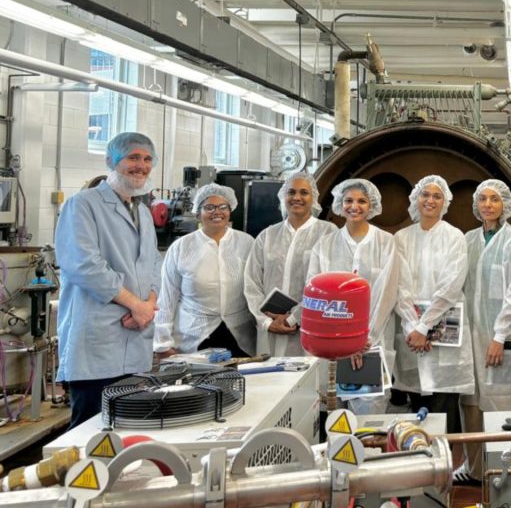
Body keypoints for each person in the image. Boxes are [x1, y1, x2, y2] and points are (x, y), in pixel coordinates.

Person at [55, 132, 162, 428]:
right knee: (90, 431)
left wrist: (149, 304)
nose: (140, 165)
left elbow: (153, 262)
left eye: (147, 159)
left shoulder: (141, 210)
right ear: (112, 161)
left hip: (136, 338)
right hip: (98, 342)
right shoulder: (83, 205)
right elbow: (84, 265)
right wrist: (136, 306)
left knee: (128, 428)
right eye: (132, 157)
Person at [307, 179, 401, 415]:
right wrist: (343, 342)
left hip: (372, 343)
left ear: (371, 206)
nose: (354, 206)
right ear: (340, 204)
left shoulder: (386, 242)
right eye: (348, 200)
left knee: (368, 422)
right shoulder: (325, 245)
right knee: (333, 419)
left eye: (362, 201)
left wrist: (361, 340)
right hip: (331, 347)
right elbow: (316, 296)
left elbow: (387, 294)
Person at [392, 175, 474, 436]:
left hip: (443, 330)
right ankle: (419, 467)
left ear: (445, 202)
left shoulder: (454, 237)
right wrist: (412, 328)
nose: (430, 200)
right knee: (417, 403)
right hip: (411, 332)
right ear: (416, 198)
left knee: (444, 402)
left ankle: (445, 467)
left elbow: (451, 286)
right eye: (425, 195)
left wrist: (425, 327)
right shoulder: (401, 238)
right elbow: (398, 286)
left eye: (437, 196)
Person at [460, 179, 511, 480]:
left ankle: (504, 471)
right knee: (471, 402)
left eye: (494, 199)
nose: (488, 204)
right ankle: (474, 470)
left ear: (505, 205)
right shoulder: (468, 239)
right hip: (470, 333)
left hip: (501, 335)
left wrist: (499, 336)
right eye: (483, 199)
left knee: (501, 403)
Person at [154, 183, 256, 358]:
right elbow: (167, 297)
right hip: (194, 335)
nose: (217, 212)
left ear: (230, 210)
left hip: (240, 336)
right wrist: (162, 342)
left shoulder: (246, 243)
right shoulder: (181, 247)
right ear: (198, 213)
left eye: (223, 207)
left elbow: (256, 287)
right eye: (209, 207)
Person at [244, 171, 336, 357]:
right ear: (283, 197)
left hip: (309, 327)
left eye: (304, 193)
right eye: (291, 192)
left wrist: (295, 317)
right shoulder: (267, 235)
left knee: (306, 381)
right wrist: (267, 322)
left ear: (314, 198)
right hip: (270, 328)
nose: (297, 198)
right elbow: (251, 282)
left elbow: (329, 285)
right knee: (271, 381)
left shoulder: (328, 233)